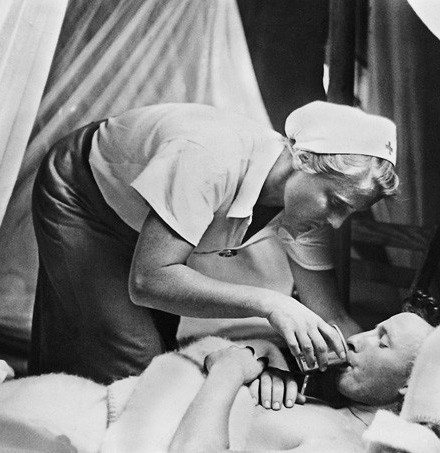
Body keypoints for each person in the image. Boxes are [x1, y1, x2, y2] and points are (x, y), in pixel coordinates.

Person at [30, 101, 400, 383]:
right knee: (135, 363)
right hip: (83, 192)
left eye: (348, 211)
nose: (336, 222)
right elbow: (150, 281)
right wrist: (270, 303)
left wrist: (401, 375)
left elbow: (330, 315)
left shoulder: (311, 203)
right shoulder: (209, 158)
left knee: (162, 358)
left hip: (141, 219)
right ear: (302, 159)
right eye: (335, 203)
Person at [0, 312, 432, 453]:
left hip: (106, 432)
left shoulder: (342, 445)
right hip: (108, 401)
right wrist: (259, 357)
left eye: (381, 341)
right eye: (371, 327)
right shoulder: (329, 404)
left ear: (411, 388)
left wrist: (229, 373)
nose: (359, 340)